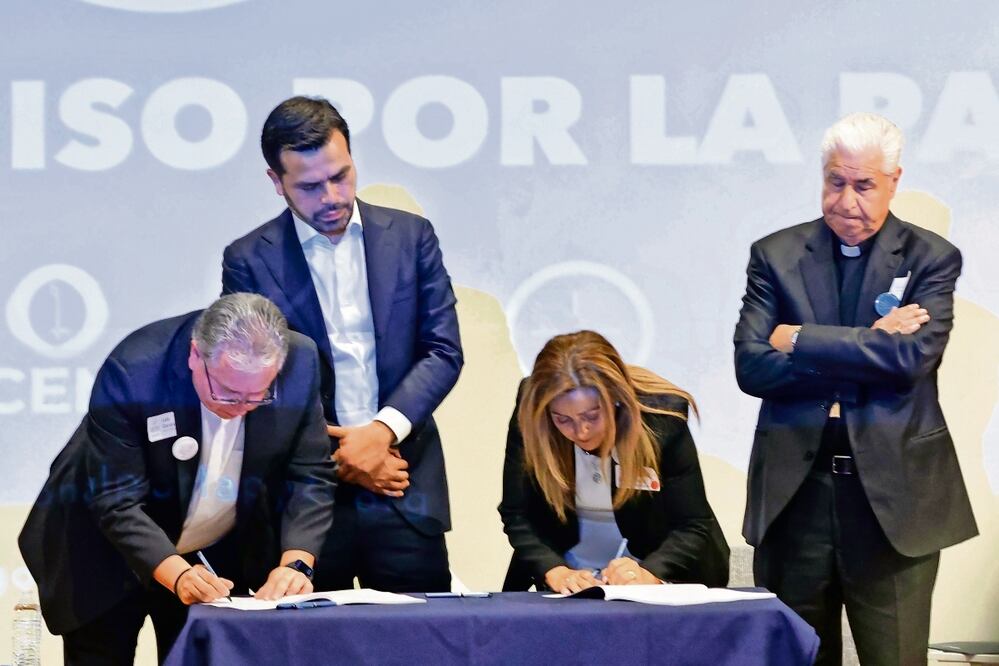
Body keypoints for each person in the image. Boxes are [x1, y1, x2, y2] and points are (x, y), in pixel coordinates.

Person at [734, 112, 978, 665]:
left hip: (893, 503)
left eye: (864, 185)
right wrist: (869, 343)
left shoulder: (930, 258)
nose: (847, 201)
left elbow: (909, 361)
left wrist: (796, 339)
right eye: (835, 182)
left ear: (894, 180)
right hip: (798, 494)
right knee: (797, 658)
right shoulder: (775, 256)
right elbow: (751, 368)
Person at [222, 96, 463, 593]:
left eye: (342, 175)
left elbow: (442, 350)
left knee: (422, 644)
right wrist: (342, 457)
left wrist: (379, 434)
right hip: (305, 500)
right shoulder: (248, 260)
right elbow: (249, 381)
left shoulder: (411, 236)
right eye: (309, 186)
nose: (332, 196)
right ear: (276, 182)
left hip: (402, 483)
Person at [18, 293, 336, 664]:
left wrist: (296, 562)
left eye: (257, 396)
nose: (240, 407)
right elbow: (116, 501)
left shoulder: (301, 362)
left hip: (211, 551)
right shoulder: (136, 370)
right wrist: (179, 576)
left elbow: (310, 474)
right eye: (227, 392)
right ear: (195, 355)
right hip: (102, 548)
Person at [499, 330, 729, 593]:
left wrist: (649, 573)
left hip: (657, 574)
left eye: (592, 416)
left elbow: (692, 524)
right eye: (563, 420)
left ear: (616, 398)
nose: (581, 431)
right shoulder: (532, 414)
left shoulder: (661, 418)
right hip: (567, 577)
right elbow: (517, 514)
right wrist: (555, 571)